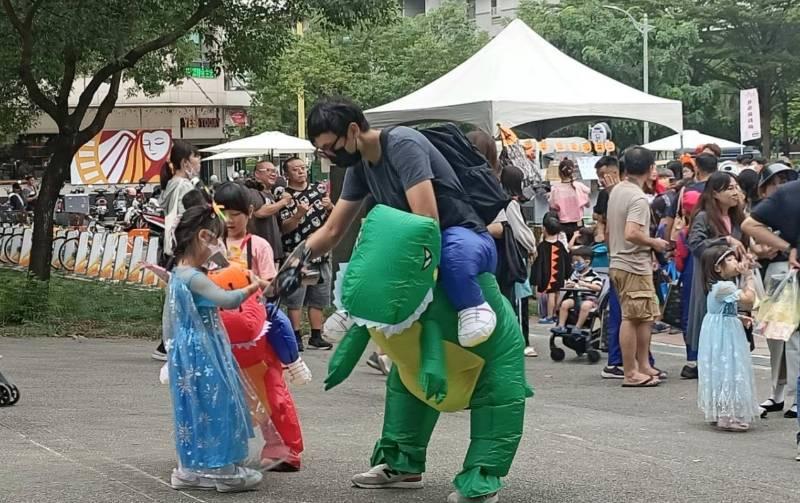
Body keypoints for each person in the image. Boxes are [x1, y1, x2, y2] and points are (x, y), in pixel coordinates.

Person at [304, 97, 499, 349]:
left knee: (451, 254)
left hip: (460, 235)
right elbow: (332, 230)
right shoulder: (359, 165)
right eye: (322, 150)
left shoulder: (402, 144)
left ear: (353, 130)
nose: (329, 155)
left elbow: (426, 221)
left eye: (330, 146)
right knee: (369, 247)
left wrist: (383, 266)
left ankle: (472, 306)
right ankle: (352, 307)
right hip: (415, 247)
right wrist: (297, 261)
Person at [159, 200, 270, 492]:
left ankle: (191, 467)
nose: (220, 245)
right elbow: (228, 300)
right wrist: (253, 285)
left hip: (187, 348)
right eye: (216, 239)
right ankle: (221, 468)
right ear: (203, 237)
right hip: (203, 348)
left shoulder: (178, 272)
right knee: (217, 401)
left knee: (193, 406)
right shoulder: (194, 277)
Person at [607, 146, 669, 387]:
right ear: (651, 169)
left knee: (644, 316)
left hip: (621, 261)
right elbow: (632, 233)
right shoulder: (637, 198)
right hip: (632, 262)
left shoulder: (618, 191)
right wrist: (655, 242)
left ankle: (643, 365)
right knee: (632, 317)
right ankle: (631, 371)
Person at [742, 177, 800, 423]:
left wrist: (788, 248)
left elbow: (750, 225)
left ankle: (789, 395)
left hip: (785, 274)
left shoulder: (787, 194)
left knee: (787, 336)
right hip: (784, 276)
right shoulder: (788, 193)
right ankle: (789, 395)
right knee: (786, 337)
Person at [685, 172, 746, 380]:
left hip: (734, 277)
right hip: (711, 280)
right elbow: (695, 244)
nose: (735, 192)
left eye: (736, 187)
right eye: (729, 188)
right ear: (715, 193)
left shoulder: (739, 217)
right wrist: (725, 242)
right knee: (712, 322)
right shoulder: (704, 217)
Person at [696, 245, 759, 431]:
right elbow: (749, 300)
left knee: (719, 370)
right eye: (730, 260)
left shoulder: (716, 286)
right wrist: (749, 277)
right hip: (726, 334)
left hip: (717, 330)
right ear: (718, 268)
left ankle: (720, 412)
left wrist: (738, 317)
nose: (735, 262)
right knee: (729, 369)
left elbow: (721, 309)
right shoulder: (725, 286)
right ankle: (727, 416)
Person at [152, 139, 201, 362]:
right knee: (185, 296)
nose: (199, 161)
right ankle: (169, 344)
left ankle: (169, 343)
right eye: (196, 157)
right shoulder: (183, 186)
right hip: (184, 248)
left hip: (174, 248)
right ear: (185, 162)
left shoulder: (173, 183)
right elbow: (185, 219)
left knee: (179, 295)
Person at [278, 156, 334, 351]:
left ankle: (316, 334)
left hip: (321, 251)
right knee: (296, 297)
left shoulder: (319, 189)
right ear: (287, 174)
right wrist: (298, 214)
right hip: (297, 251)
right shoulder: (284, 195)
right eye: (295, 169)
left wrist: (330, 207)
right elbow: (284, 228)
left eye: (303, 167)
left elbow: (333, 218)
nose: (301, 171)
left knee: (319, 295)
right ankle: (295, 335)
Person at [213, 182, 277, 283]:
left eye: (235, 214)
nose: (228, 220)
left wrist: (251, 279)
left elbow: (271, 288)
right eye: (222, 215)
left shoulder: (260, 246)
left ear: (250, 211)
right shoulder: (214, 245)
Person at [553, 246, 603, 334]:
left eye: (577, 261)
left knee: (585, 306)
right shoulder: (574, 274)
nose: (574, 264)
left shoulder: (593, 275)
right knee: (565, 304)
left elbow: (598, 288)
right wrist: (569, 285)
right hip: (575, 297)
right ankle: (561, 325)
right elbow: (568, 284)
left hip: (589, 298)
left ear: (587, 262)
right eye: (573, 261)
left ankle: (578, 327)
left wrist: (585, 284)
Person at [251, 161, 291, 265]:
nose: (273, 174)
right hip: (260, 254)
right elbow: (259, 212)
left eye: (275, 171)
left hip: (275, 253)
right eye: (268, 170)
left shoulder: (272, 195)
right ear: (257, 174)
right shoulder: (254, 192)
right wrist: (283, 202)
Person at [533, 215, 570, 325]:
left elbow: (537, 263)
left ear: (544, 229)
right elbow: (567, 260)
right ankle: (555, 314)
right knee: (557, 293)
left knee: (551, 294)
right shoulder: (560, 245)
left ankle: (549, 316)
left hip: (548, 275)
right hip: (559, 274)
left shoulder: (542, 246)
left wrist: (537, 278)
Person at [548, 158, 590, 237]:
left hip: (563, 226)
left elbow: (552, 207)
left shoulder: (555, 189)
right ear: (572, 172)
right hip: (578, 225)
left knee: (564, 248)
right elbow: (588, 204)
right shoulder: (579, 186)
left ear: (559, 173)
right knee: (578, 248)